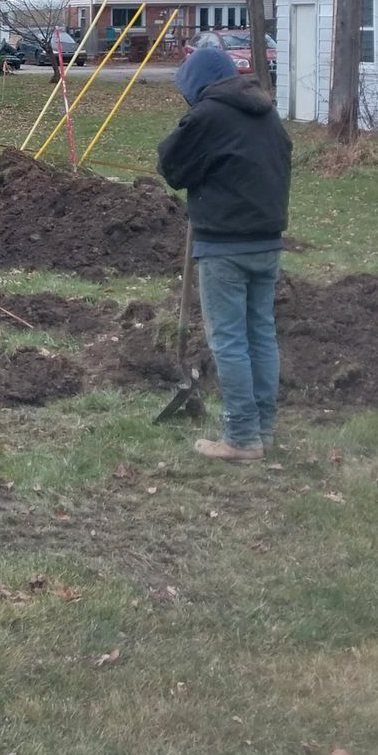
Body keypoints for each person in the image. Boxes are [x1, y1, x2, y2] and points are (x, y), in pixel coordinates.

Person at [156, 46, 293, 463]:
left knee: (230, 341)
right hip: (267, 241)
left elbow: (171, 166)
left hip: (225, 246)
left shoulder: (208, 116)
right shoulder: (266, 112)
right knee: (260, 335)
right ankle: (263, 431)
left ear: (197, 85)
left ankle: (242, 438)